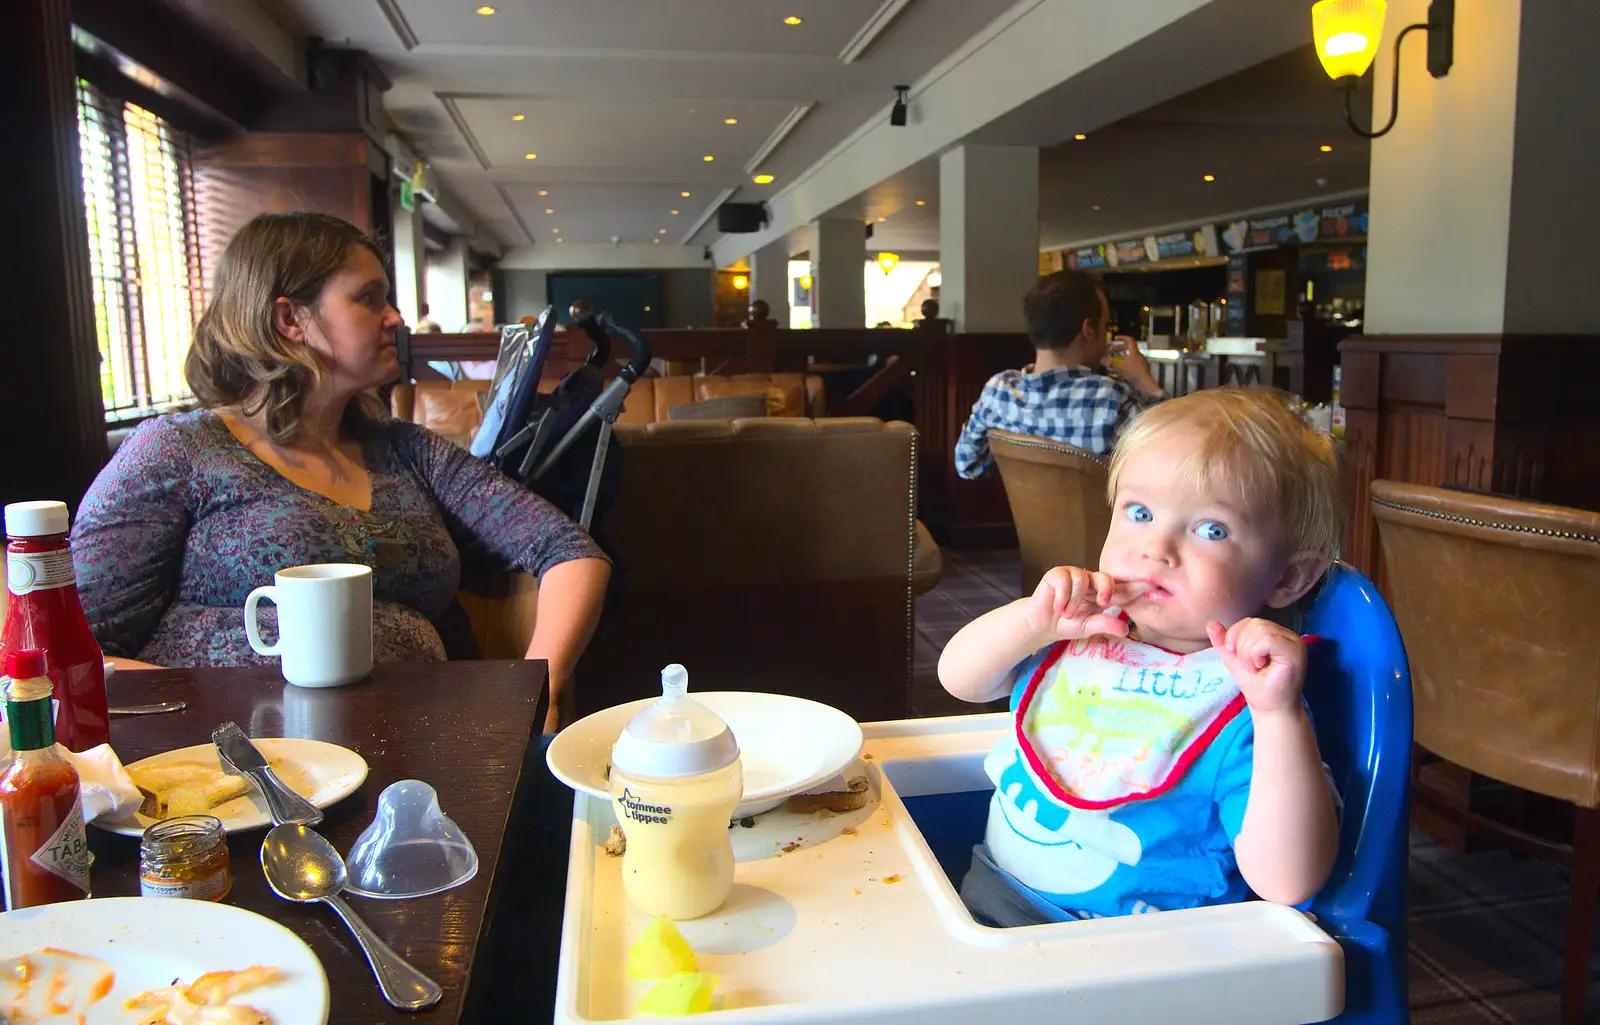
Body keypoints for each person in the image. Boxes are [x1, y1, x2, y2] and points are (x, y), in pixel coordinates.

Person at [73, 212, 610, 732]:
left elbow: (570, 552)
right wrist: (218, 717)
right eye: (368, 297)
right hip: (229, 769)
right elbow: (70, 647)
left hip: (415, 752)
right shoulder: (179, 450)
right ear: (291, 320)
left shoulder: (408, 452)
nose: (395, 316)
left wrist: (536, 692)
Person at [937, 387, 1341, 925]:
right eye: (1140, 512)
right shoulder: (1080, 632)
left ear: (1288, 577)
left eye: (1211, 529)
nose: (1156, 548)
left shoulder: (1245, 702)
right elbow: (958, 679)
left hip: (1131, 956)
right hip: (987, 905)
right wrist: (1032, 623)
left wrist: (1277, 716)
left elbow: (1287, 882)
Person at [954, 269, 1165, 479]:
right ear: (1089, 330)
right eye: (1105, 325)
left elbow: (966, 464)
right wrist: (1145, 382)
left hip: (1027, 513)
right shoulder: (1111, 398)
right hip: (1100, 514)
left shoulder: (998, 391)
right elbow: (1175, 466)